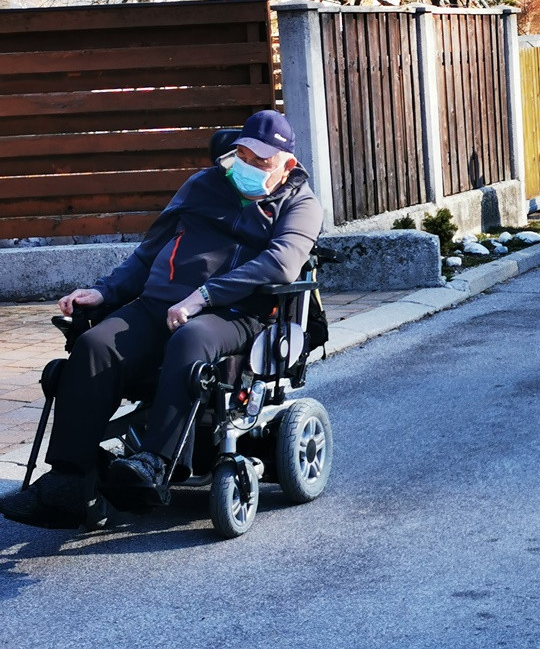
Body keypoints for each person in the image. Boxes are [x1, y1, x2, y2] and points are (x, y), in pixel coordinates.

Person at [0, 110, 324, 529]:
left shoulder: (302, 204)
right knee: (94, 346)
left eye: (261, 160)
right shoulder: (203, 185)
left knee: (190, 340)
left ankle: (155, 463)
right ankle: (70, 480)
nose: (247, 165)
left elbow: (280, 265)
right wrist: (105, 291)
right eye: (242, 154)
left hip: (236, 313)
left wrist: (203, 296)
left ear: (287, 164)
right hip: (158, 304)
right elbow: (149, 251)